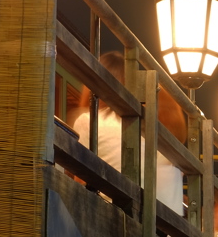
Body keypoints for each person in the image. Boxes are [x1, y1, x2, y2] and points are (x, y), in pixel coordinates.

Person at [72, 51, 187, 215]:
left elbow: (81, 180)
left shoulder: (89, 121)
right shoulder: (155, 132)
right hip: (169, 233)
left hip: (122, 224)